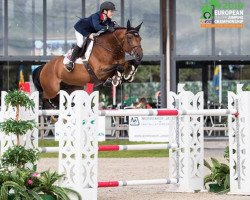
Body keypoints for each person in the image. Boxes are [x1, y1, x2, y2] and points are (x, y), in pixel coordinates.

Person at [65, 1, 117, 72]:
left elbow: (111, 25)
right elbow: (97, 27)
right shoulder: (96, 16)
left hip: (90, 31)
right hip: (81, 28)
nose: (112, 13)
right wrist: (107, 28)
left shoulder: (107, 19)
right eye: (111, 11)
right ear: (105, 11)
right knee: (80, 43)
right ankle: (71, 62)